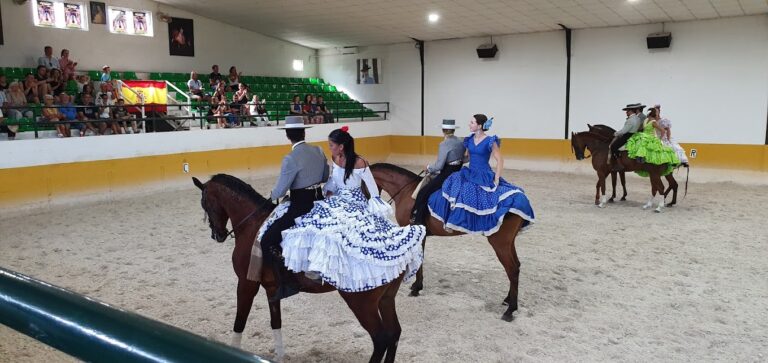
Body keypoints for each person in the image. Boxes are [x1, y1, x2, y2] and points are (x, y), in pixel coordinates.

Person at [261, 126, 426, 293]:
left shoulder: (359, 162)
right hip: (337, 199)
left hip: (355, 202)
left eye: (332, 145)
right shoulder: (334, 157)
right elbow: (333, 178)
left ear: (341, 146)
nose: (329, 148)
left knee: (342, 231)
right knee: (319, 225)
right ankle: (316, 266)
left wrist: (375, 202)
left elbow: (371, 186)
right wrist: (329, 188)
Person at [258, 116, 330, 301]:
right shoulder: (319, 150)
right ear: (304, 132)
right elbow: (324, 176)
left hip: (301, 205)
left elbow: (281, 190)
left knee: (267, 240)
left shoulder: (290, 158)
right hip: (319, 201)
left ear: (288, 136)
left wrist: (271, 195)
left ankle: (284, 283)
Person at [427, 114, 534, 235]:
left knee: (482, 196)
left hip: (484, 174)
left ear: (479, 126)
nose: (469, 124)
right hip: (469, 172)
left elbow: (500, 160)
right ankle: (454, 222)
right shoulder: (469, 140)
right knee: (457, 190)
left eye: (472, 122)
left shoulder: (490, 141)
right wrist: (451, 160)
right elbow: (466, 158)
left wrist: (497, 177)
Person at [411, 119, 466, 226]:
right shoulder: (460, 141)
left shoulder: (444, 144)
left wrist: (428, 167)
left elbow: (439, 165)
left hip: (447, 173)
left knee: (423, 192)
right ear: (453, 130)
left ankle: (418, 219)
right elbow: (463, 159)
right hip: (458, 171)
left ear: (443, 130)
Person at [624, 106, 680, 177]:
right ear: (655, 115)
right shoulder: (653, 122)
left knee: (641, 146)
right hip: (651, 137)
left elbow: (640, 129)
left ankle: (639, 160)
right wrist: (660, 139)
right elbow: (663, 130)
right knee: (658, 151)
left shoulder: (645, 120)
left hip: (643, 137)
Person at [608, 103, 645, 168]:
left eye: (627, 111)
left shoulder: (631, 120)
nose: (626, 112)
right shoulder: (637, 118)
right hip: (634, 135)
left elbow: (623, 131)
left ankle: (619, 164)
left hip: (627, 136)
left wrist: (615, 133)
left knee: (613, 146)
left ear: (631, 111)